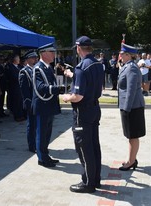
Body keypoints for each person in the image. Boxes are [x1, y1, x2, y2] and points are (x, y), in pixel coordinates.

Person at [62, 36, 104, 193]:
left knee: (84, 147)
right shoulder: (97, 65)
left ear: (79, 48)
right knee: (94, 145)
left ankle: (88, 182)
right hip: (94, 109)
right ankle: (96, 179)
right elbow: (91, 82)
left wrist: (66, 97)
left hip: (83, 111)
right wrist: (73, 76)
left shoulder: (81, 68)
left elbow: (78, 96)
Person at [31, 43, 61, 167]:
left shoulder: (47, 67)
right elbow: (40, 87)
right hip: (43, 105)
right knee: (42, 133)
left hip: (49, 104)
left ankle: (45, 155)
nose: (54, 55)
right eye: (52, 52)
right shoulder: (38, 68)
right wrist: (57, 89)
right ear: (44, 53)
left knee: (47, 133)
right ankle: (42, 158)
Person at [117, 43, 146, 171]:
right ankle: (132, 158)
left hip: (132, 107)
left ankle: (131, 161)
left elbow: (131, 90)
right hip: (129, 106)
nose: (120, 56)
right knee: (131, 135)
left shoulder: (131, 68)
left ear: (129, 55)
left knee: (133, 135)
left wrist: (127, 108)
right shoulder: (127, 66)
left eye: (122, 54)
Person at [19, 50, 39, 153]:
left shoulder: (36, 70)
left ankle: (37, 143)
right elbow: (24, 91)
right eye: (33, 58)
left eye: (36, 58)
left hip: (38, 102)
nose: (35, 59)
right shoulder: (24, 71)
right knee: (31, 125)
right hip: (31, 102)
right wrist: (28, 103)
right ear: (27, 60)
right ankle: (32, 145)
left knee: (37, 125)